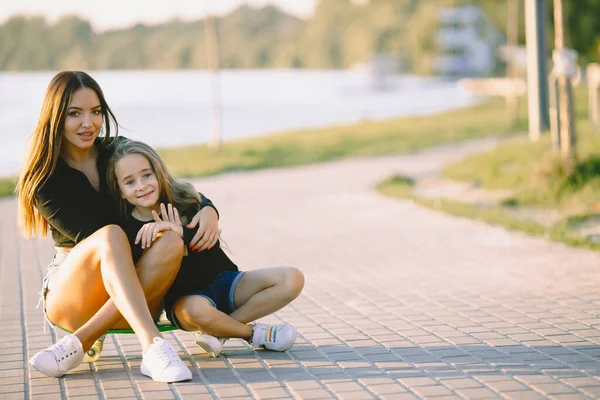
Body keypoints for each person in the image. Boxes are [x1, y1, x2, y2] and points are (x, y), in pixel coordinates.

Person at [17, 71, 219, 382]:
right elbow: (105, 241)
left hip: (132, 288)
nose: (89, 123)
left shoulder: (116, 150)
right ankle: (153, 345)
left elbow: (168, 188)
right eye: (75, 114)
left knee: (170, 243)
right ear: (55, 117)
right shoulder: (46, 179)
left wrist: (207, 209)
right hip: (74, 291)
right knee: (111, 235)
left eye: (96, 112)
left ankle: (77, 344)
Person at [106, 139, 305, 357]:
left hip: (223, 281)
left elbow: (211, 247)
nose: (142, 186)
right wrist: (171, 242)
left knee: (292, 278)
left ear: (158, 173)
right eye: (130, 182)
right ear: (121, 190)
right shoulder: (125, 229)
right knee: (196, 311)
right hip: (185, 301)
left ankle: (220, 333)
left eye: (146, 175)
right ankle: (252, 333)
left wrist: (181, 231)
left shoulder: (185, 200)